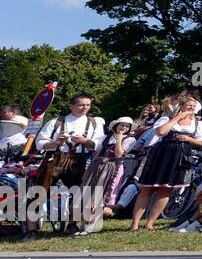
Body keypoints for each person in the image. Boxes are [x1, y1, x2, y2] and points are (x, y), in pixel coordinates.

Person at [24, 94, 105, 239]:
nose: (85, 108)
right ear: (72, 106)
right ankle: (31, 230)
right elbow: (40, 142)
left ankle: (72, 224)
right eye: (81, 105)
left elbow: (98, 145)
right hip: (54, 159)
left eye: (87, 105)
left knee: (79, 194)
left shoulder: (94, 123)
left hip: (78, 160)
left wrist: (85, 140)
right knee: (39, 193)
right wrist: (56, 142)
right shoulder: (56, 121)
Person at [131, 96, 202, 231]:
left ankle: (150, 223)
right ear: (182, 106)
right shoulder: (167, 118)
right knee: (147, 189)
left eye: (193, 107)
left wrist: (188, 138)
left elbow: (200, 142)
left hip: (181, 156)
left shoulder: (197, 123)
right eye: (188, 106)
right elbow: (160, 132)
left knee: (166, 190)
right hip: (162, 154)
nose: (191, 108)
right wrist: (177, 118)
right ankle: (135, 224)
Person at [73, 116, 138, 235]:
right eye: (121, 125)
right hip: (98, 166)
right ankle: (84, 225)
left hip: (113, 168)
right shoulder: (105, 137)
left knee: (99, 197)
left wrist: (119, 138)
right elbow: (97, 152)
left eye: (126, 126)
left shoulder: (129, 140)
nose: (124, 128)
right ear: (116, 125)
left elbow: (119, 155)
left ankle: (90, 226)